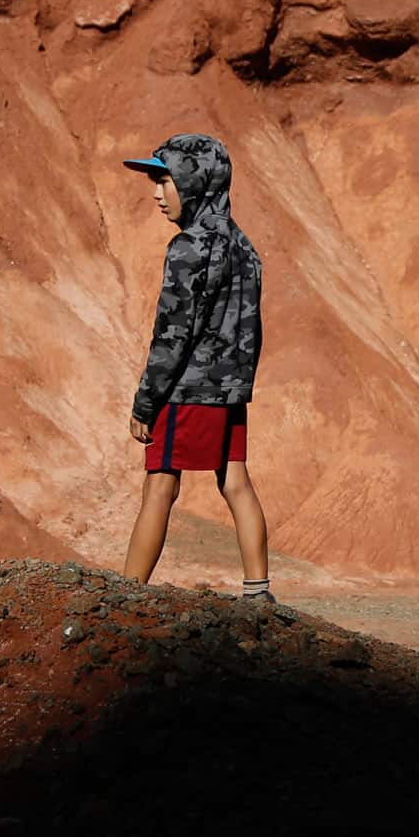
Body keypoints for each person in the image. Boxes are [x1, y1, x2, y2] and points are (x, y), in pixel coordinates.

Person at [121, 134, 271, 601]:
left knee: (159, 488)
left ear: (193, 180)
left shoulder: (189, 248)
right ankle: (258, 589)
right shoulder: (243, 246)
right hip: (229, 391)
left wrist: (146, 402)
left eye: (164, 179)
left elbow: (172, 334)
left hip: (186, 391)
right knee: (237, 482)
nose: (156, 193)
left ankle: (125, 597)